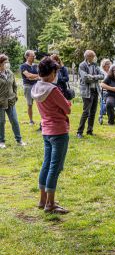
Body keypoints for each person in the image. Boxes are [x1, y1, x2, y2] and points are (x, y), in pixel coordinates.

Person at [31, 57, 71, 214]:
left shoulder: (37, 87)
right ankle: (50, 204)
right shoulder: (52, 90)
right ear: (52, 72)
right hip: (59, 131)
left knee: (46, 164)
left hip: (46, 130)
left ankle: (42, 200)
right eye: (56, 71)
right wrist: (68, 105)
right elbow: (67, 108)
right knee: (55, 167)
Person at [0, 54, 26, 148]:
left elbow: (14, 85)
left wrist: (15, 95)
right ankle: (1, 141)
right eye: (5, 62)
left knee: (14, 120)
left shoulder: (10, 72)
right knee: (1, 122)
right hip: (1, 103)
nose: (7, 64)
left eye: (7, 62)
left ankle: (19, 140)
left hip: (11, 100)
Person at [77, 50, 104, 138]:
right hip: (87, 91)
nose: (94, 58)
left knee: (93, 112)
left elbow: (102, 75)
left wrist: (93, 77)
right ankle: (79, 132)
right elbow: (85, 78)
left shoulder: (95, 65)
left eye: (94, 56)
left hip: (95, 90)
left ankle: (89, 131)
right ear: (87, 56)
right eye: (92, 56)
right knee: (86, 112)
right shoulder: (82, 65)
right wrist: (95, 77)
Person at [20, 50, 39, 125]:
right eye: (32, 56)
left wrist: (33, 76)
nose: (34, 57)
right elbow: (28, 76)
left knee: (41, 103)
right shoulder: (23, 66)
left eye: (34, 56)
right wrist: (35, 76)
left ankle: (43, 120)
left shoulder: (35, 66)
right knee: (30, 104)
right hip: (28, 87)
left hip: (36, 86)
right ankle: (31, 120)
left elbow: (40, 75)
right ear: (27, 57)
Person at [98, 59, 112, 124]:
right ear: (104, 65)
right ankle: (102, 113)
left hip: (111, 89)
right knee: (104, 101)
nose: (109, 65)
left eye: (109, 64)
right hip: (103, 90)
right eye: (107, 64)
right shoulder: (101, 72)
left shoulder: (111, 72)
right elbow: (100, 82)